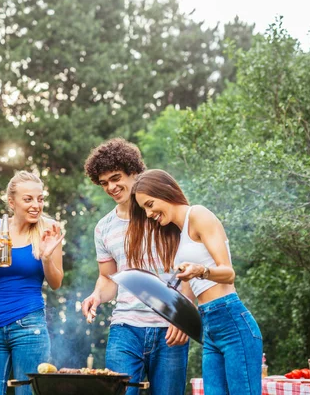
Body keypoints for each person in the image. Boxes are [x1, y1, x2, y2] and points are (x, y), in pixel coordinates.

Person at [125, 169, 263, 395]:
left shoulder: (198, 214)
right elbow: (187, 292)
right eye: (144, 209)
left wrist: (200, 270)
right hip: (209, 327)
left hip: (232, 321)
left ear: (165, 191)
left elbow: (228, 272)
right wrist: (176, 318)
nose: (149, 214)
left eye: (150, 204)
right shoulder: (179, 238)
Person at [81, 139, 191, 395]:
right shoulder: (103, 228)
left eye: (116, 177)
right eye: (104, 182)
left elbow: (192, 266)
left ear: (134, 171)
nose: (111, 187)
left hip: (170, 328)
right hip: (125, 329)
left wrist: (184, 316)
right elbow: (108, 279)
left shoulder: (164, 213)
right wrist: (96, 296)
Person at [0, 171, 65, 395]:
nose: (36, 205)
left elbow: (56, 283)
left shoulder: (49, 229)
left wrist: (45, 257)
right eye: (28, 199)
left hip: (29, 326)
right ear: (12, 202)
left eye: (40, 199)